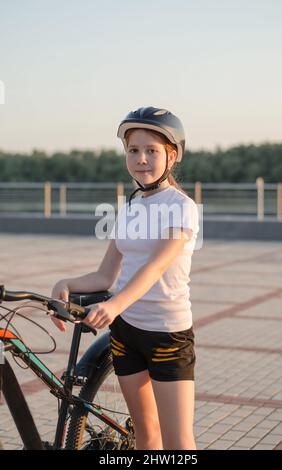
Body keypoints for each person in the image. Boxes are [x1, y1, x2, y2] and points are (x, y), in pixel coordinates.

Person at [51, 106, 199, 450]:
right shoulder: (131, 208)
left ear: (171, 155)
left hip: (167, 333)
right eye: (133, 150)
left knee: (179, 441)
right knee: (147, 435)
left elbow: (156, 266)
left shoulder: (181, 207)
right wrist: (67, 284)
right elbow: (106, 274)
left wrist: (114, 303)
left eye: (152, 151)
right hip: (126, 331)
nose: (141, 159)